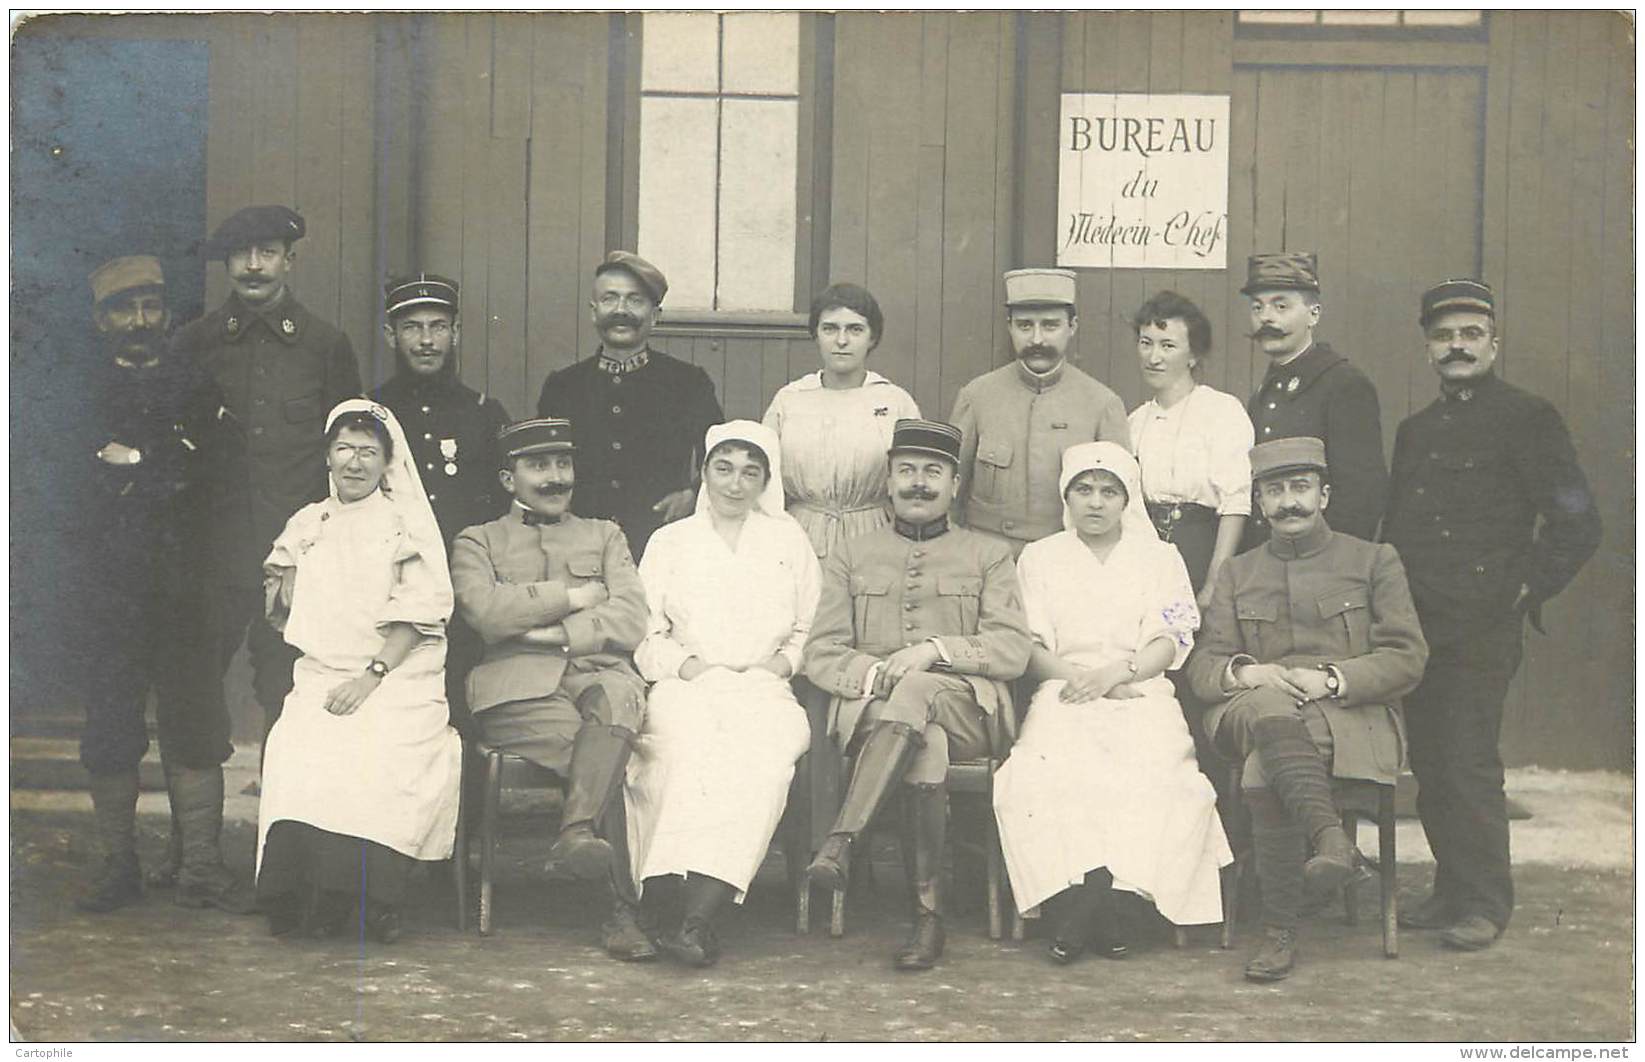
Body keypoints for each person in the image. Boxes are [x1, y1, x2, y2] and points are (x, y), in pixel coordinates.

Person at [1383, 279, 1601, 951]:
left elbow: (1577, 522)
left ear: (1492, 343)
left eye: (1469, 335)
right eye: (1444, 336)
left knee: (1468, 758)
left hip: (1481, 625)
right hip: (1419, 623)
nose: (1456, 347)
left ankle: (1483, 902)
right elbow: (1400, 526)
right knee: (1429, 758)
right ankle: (1449, 888)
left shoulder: (1527, 417)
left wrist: (1523, 590)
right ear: (1427, 348)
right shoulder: (1415, 430)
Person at [1187, 437, 1428, 982]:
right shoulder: (1237, 572)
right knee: (1269, 705)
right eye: (1274, 491)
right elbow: (1205, 666)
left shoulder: (1373, 560)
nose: (1288, 502)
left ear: (1325, 494)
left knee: (1260, 770)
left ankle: (1279, 931)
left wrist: (1332, 678)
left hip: (1351, 714)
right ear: (1259, 501)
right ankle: (1332, 840)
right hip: (1253, 708)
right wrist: (1248, 673)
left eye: (1300, 488)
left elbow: (1407, 656)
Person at [805, 418, 1032, 971]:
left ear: (955, 485)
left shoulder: (990, 555)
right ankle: (928, 917)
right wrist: (875, 671)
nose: (919, 484)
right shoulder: (849, 555)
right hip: (875, 709)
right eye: (906, 471)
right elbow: (822, 652)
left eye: (934, 472)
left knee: (924, 685)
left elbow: (1011, 649)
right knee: (923, 742)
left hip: (967, 707)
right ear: (888, 479)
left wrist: (933, 650)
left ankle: (843, 840)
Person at [993, 442, 1232, 964]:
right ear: (1067, 496)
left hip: (1140, 687)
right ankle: (1089, 900)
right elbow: (1030, 646)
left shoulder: (1162, 557)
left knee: (1160, 776)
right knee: (1038, 775)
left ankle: (1109, 901)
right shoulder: (1041, 556)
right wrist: (1083, 679)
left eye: (1109, 491)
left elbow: (1172, 638)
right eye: (1083, 490)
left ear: (1127, 500)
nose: (1095, 502)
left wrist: (1118, 673)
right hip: (1064, 690)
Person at [75, 254, 253, 915]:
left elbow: (221, 475)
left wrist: (139, 463)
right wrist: (170, 466)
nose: (141, 321)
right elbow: (68, 487)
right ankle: (116, 864)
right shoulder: (76, 395)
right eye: (125, 309)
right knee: (112, 729)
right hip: (110, 592)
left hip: (187, 589)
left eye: (151, 306)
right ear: (101, 321)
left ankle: (200, 868)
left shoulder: (196, 387)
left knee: (197, 723)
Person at [255, 400, 461, 943]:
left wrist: (369, 677)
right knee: (299, 740)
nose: (355, 462)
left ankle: (372, 897)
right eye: (344, 448)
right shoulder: (307, 522)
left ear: (387, 461)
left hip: (397, 676)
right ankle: (304, 894)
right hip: (322, 672)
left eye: (369, 451)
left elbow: (420, 615)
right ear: (327, 454)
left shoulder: (404, 526)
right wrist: (288, 584)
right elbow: (281, 606)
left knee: (375, 745)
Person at [450, 417, 655, 961]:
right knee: (604, 752)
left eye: (562, 464)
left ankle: (576, 834)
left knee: (617, 710)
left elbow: (632, 617)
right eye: (538, 465)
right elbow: (486, 615)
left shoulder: (606, 535)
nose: (554, 477)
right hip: (517, 688)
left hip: (600, 674)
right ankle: (618, 911)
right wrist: (572, 596)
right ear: (506, 478)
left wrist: (549, 630)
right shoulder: (477, 541)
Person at [624, 420, 818, 967]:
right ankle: (662, 895)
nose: (735, 484)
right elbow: (645, 631)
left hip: (763, 687)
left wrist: (778, 664)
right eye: (724, 469)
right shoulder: (671, 540)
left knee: (764, 758)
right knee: (682, 752)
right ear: (704, 472)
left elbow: (808, 628)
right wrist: (687, 667)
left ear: (766, 481)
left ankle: (700, 914)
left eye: (750, 472)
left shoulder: (788, 540)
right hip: (686, 682)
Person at [173, 205, 362, 743]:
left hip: (299, 562)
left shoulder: (325, 346)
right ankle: (201, 830)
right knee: (194, 689)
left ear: (290, 261)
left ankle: (282, 824)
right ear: (227, 262)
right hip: (213, 553)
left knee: (290, 694)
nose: (254, 266)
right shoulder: (194, 345)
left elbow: (349, 458)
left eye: (268, 253)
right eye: (242, 254)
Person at [370, 273, 511, 733]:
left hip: (462, 591)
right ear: (391, 334)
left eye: (438, 326)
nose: (426, 340)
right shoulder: (370, 413)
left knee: (460, 713)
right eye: (412, 327)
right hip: (390, 590)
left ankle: (462, 809)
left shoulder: (485, 414)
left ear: (456, 332)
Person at [536, 251, 723, 560]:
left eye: (635, 300)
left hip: (661, 541)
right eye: (610, 299)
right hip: (578, 544)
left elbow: (718, 454)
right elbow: (541, 465)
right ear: (594, 312)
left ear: (655, 315)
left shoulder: (688, 383)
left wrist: (692, 494)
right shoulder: (563, 386)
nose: (621, 310)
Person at [951, 267, 1130, 556]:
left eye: (1050, 326)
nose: (1037, 339)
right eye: (1024, 326)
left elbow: (1119, 502)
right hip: (987, 557)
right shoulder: (977, 396)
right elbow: (951, 491)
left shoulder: (1102, 404)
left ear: (1072, 326)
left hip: (1067, 559)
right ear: (1009, 326)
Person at [762, 282, 922, 560]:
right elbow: (763, 479)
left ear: (872, 338)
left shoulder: (895, 402)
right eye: (830, 329)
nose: (842, 341)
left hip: (875, 535)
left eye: (855, 329)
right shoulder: (790, 400)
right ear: (816, 335)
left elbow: (917, 478)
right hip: (800, 537)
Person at [1240, 252, 1386, 545]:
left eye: (1281, 306)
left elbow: (1362, 497)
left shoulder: (1343, 384)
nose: (1266, 317)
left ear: (1314, 314)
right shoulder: (1263, 393)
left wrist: (1331, 569)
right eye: (1258, 307)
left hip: (1322, 566)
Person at [1126, 290, 1254, 606]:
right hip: (1145, 555)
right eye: (1146, 343)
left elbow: (1235, 504)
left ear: (1193, 355)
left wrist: (1213, 583)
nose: (1153, 357)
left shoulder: (1221, 410)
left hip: (1200, 552)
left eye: (1167, 345)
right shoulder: (1134, 422)